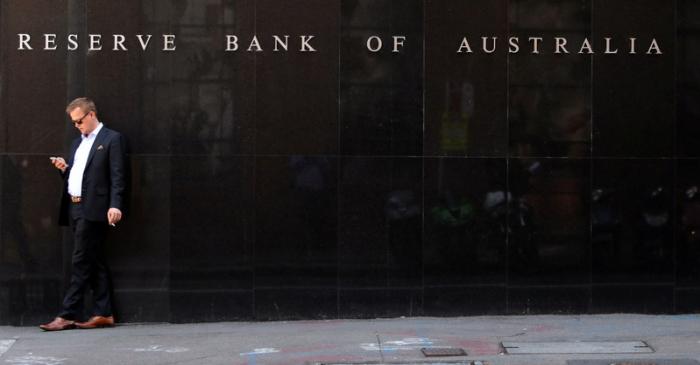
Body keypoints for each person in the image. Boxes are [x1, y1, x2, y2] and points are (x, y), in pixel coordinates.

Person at [40, 97, 126, 331]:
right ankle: (104, 313)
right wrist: (64, 170)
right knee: (93, 260)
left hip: (94, 209)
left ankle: (67, 314)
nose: (77, 125)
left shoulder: (112, 139)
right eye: (73, 122)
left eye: (79, 121)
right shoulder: (77, 143)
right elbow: (79, 176)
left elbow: (118, 177)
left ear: (91, 115)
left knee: (80, 261)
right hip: (75, 207)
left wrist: (115, 205)